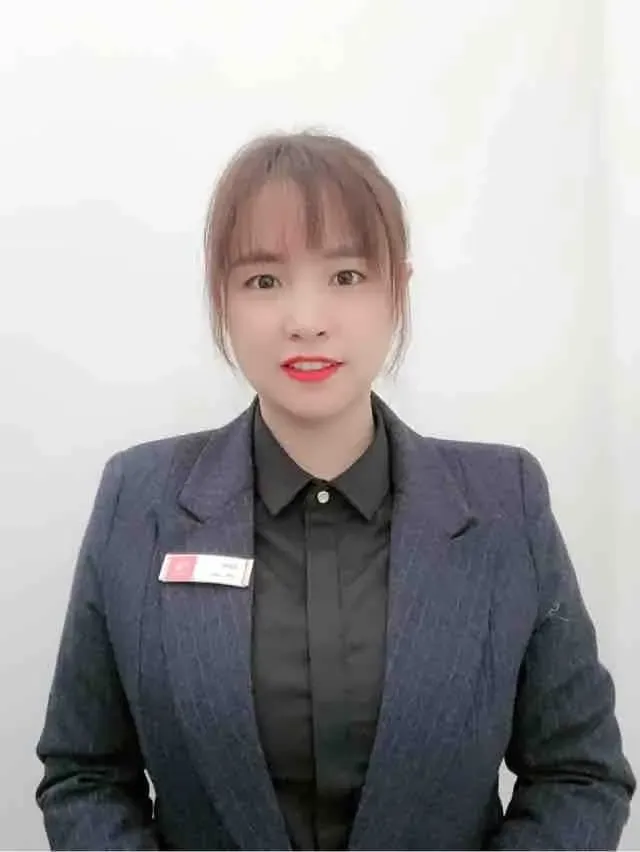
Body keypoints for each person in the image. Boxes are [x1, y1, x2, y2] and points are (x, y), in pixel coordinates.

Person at [36, 131, 634, 851]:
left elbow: (579, 774)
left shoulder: (506, 503)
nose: (307, 320)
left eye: (347, 276)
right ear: (222, 297)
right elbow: (86, 775)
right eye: (264, 281)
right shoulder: (139, 499)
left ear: (397, 291)